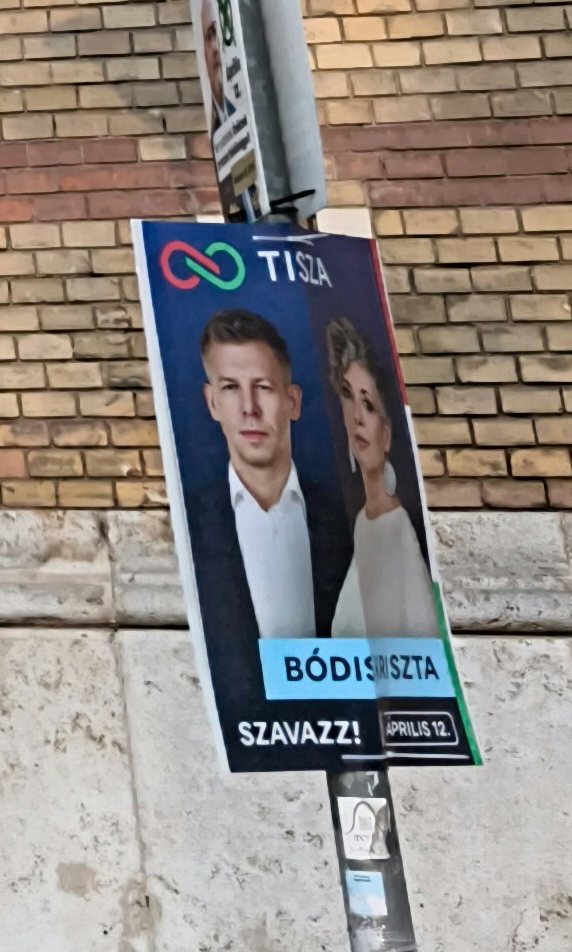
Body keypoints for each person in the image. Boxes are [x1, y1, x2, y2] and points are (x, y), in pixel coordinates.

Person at [182, 305, 353, 728]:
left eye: (262, 387)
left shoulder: (347, 519)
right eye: (230, 388)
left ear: (292, 401)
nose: (249, 408)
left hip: (340, 732)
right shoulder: (189, 525)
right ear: (211, 402)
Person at [321, 313, 438, 641]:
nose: (357, 416)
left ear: (386, 435)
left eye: (369, 405)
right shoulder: (362, 522)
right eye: (348, 395)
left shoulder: (397, 527)